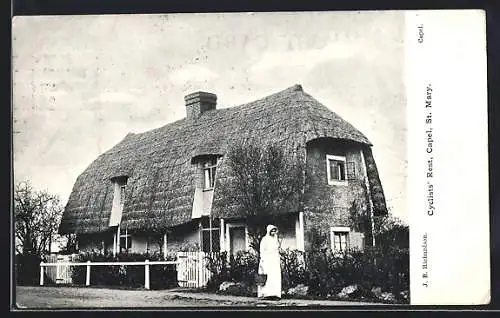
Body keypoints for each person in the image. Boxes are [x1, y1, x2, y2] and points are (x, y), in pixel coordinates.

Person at [257, 224, 282, 300]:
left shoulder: (276, 239)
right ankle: (266, 294)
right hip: (267, 260)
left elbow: (277, 249)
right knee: (268, 277)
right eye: (272, 230)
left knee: (276, 277)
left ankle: (275, 294)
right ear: (269, 231)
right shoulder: (265, 239)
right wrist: (263, 260)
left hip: (275, 260)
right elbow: (262, 250)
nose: (273, 232)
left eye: (274, 230)